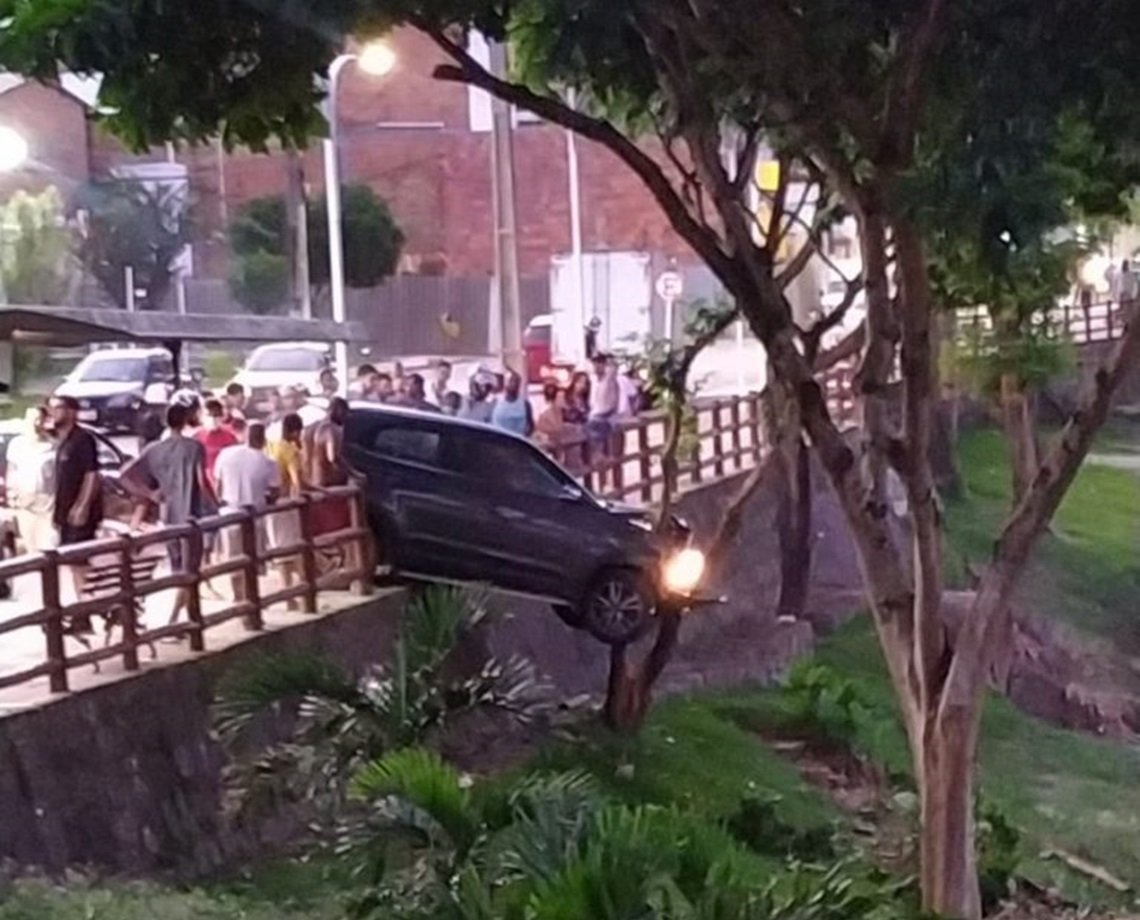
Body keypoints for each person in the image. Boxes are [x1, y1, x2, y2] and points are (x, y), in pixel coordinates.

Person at [123, 403, 217, 625]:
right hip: (191, 514)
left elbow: (126, 475)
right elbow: (201, 481)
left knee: (178, 569)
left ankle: (191, 617)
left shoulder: (154, 450)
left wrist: (151, 494)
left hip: (168, 516)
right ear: (185, 420)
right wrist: (215, 504)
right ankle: (176, 619)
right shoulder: (194, 447)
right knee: (191, 570)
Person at [214, 421, 280, 599]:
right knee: (252, 560)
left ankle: (238, 597)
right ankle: (251, 598)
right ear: (263, 439)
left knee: (234, 559)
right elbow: (275, 491)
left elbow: (217, 486)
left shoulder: (226, 454)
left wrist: (220, 500)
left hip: (229, 512)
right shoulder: (268, 462)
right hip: (254, 514)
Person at [266, 412, 307, 610]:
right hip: (285, 503)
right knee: (289, 551)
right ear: (295, 431)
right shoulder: (290, 450)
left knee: (282, 550)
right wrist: (300, 500)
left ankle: (290, 593)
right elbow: (297, 481)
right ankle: (290, 594)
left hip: (270, 505)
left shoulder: (271, 446)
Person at [50, 395, 102, 547]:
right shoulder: (61, 440)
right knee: (64, 558)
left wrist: (82, 506)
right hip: (62, 510)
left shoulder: (83, 440)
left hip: (77, 511)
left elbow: (91, 474)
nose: (53, 412)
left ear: (72, 412)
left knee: (78, 560)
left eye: (58, 407)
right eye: (51, 408)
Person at [6, 407, 57, 554]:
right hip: (25, 501)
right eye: (31, 419)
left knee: (48, 545)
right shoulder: (17, 445)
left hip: (48, 502)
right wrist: (13, 496)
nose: (35, 423)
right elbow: (12, 470)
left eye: (39, 419)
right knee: (31, 546)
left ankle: (51, 576)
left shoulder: (53, 446)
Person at [196, 398, 238, 489]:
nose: (213, 419)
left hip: (226, 484)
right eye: (209, 415)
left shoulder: (230, 436)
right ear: (202, 416)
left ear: (222, 416)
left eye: (217, 415)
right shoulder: (197, 438)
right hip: (204, 485)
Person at [490, 371, 534, 437]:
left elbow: (531, 425)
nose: (514, 384)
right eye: (511, 381)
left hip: (517, 443)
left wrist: (525, 438)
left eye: (517, 381)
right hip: (499, 442)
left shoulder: (525, 405)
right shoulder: (495, 402)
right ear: (506, 383)